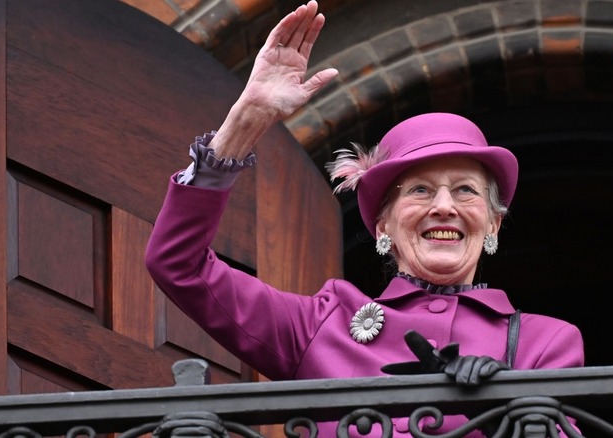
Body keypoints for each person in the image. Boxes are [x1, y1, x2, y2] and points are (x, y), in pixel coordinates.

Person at [145, 1, 584, 436]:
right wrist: (246, 121)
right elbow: (178, 265)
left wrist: (506, 413)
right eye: (420, 190)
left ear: (493, 224)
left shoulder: (545, 343)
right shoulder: (323, 324)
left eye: (466, 191)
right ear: (382, 226)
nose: (444, 206)